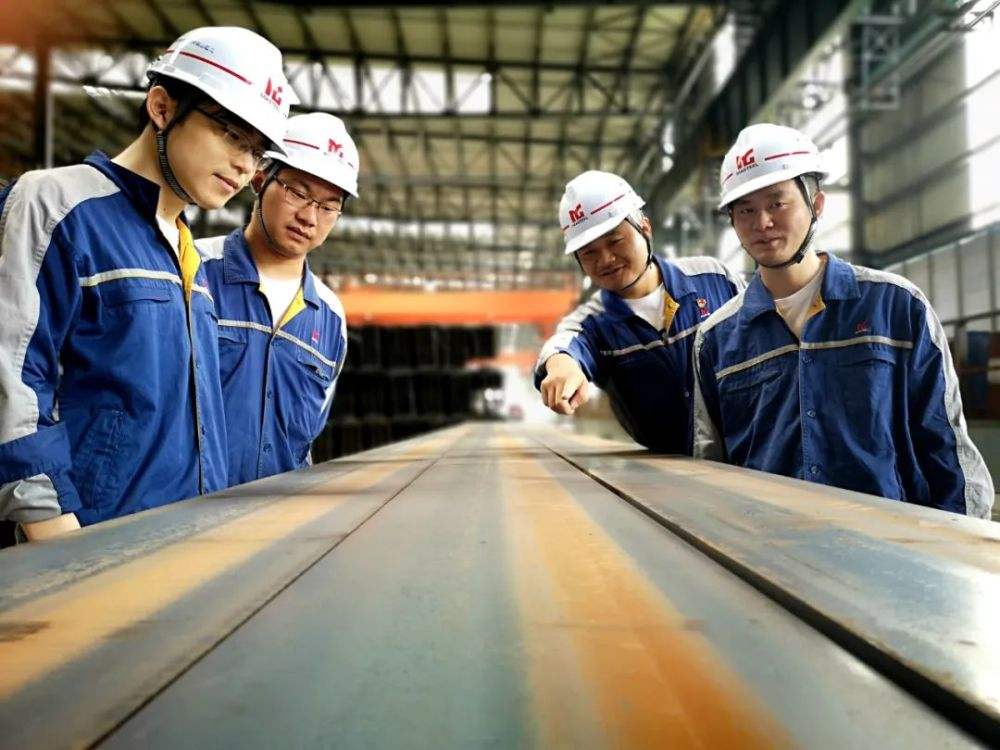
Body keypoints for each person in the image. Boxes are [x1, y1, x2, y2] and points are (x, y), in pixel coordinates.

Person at [0, 27, 294, 541]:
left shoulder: (187, 251)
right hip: (94, 547)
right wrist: (61, 546)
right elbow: (15, 381)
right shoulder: (57, 205)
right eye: (231, 134)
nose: (245, 164)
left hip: (184, 544)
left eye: (257, 151)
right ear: (162, 107)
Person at [693, 123, 993, 518]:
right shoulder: (716, 339)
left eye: (777, 203)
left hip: (887, 543)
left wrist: (961, 540)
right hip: (766, 542)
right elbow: (712, 465)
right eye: (746, 210)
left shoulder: (895, 308)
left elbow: (945, 445)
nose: (762, 223)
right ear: (732, 221)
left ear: (816, 204)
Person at [536, 170, 745, 453]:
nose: (605, 259)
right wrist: (561, 365)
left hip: (748, 453)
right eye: (589, 253)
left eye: (615, 241)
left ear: (645, 228)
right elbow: (564, 346)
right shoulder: (593, 324)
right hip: (672, 470)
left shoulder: (713, 279)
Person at [197, 113, 354, 485]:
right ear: (259, 178)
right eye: (298, 192)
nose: (309, 217)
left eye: (328, 206)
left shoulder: (330, 317)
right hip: (186, 510)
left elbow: (304, 440)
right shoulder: (194, 270)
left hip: (279, 514)